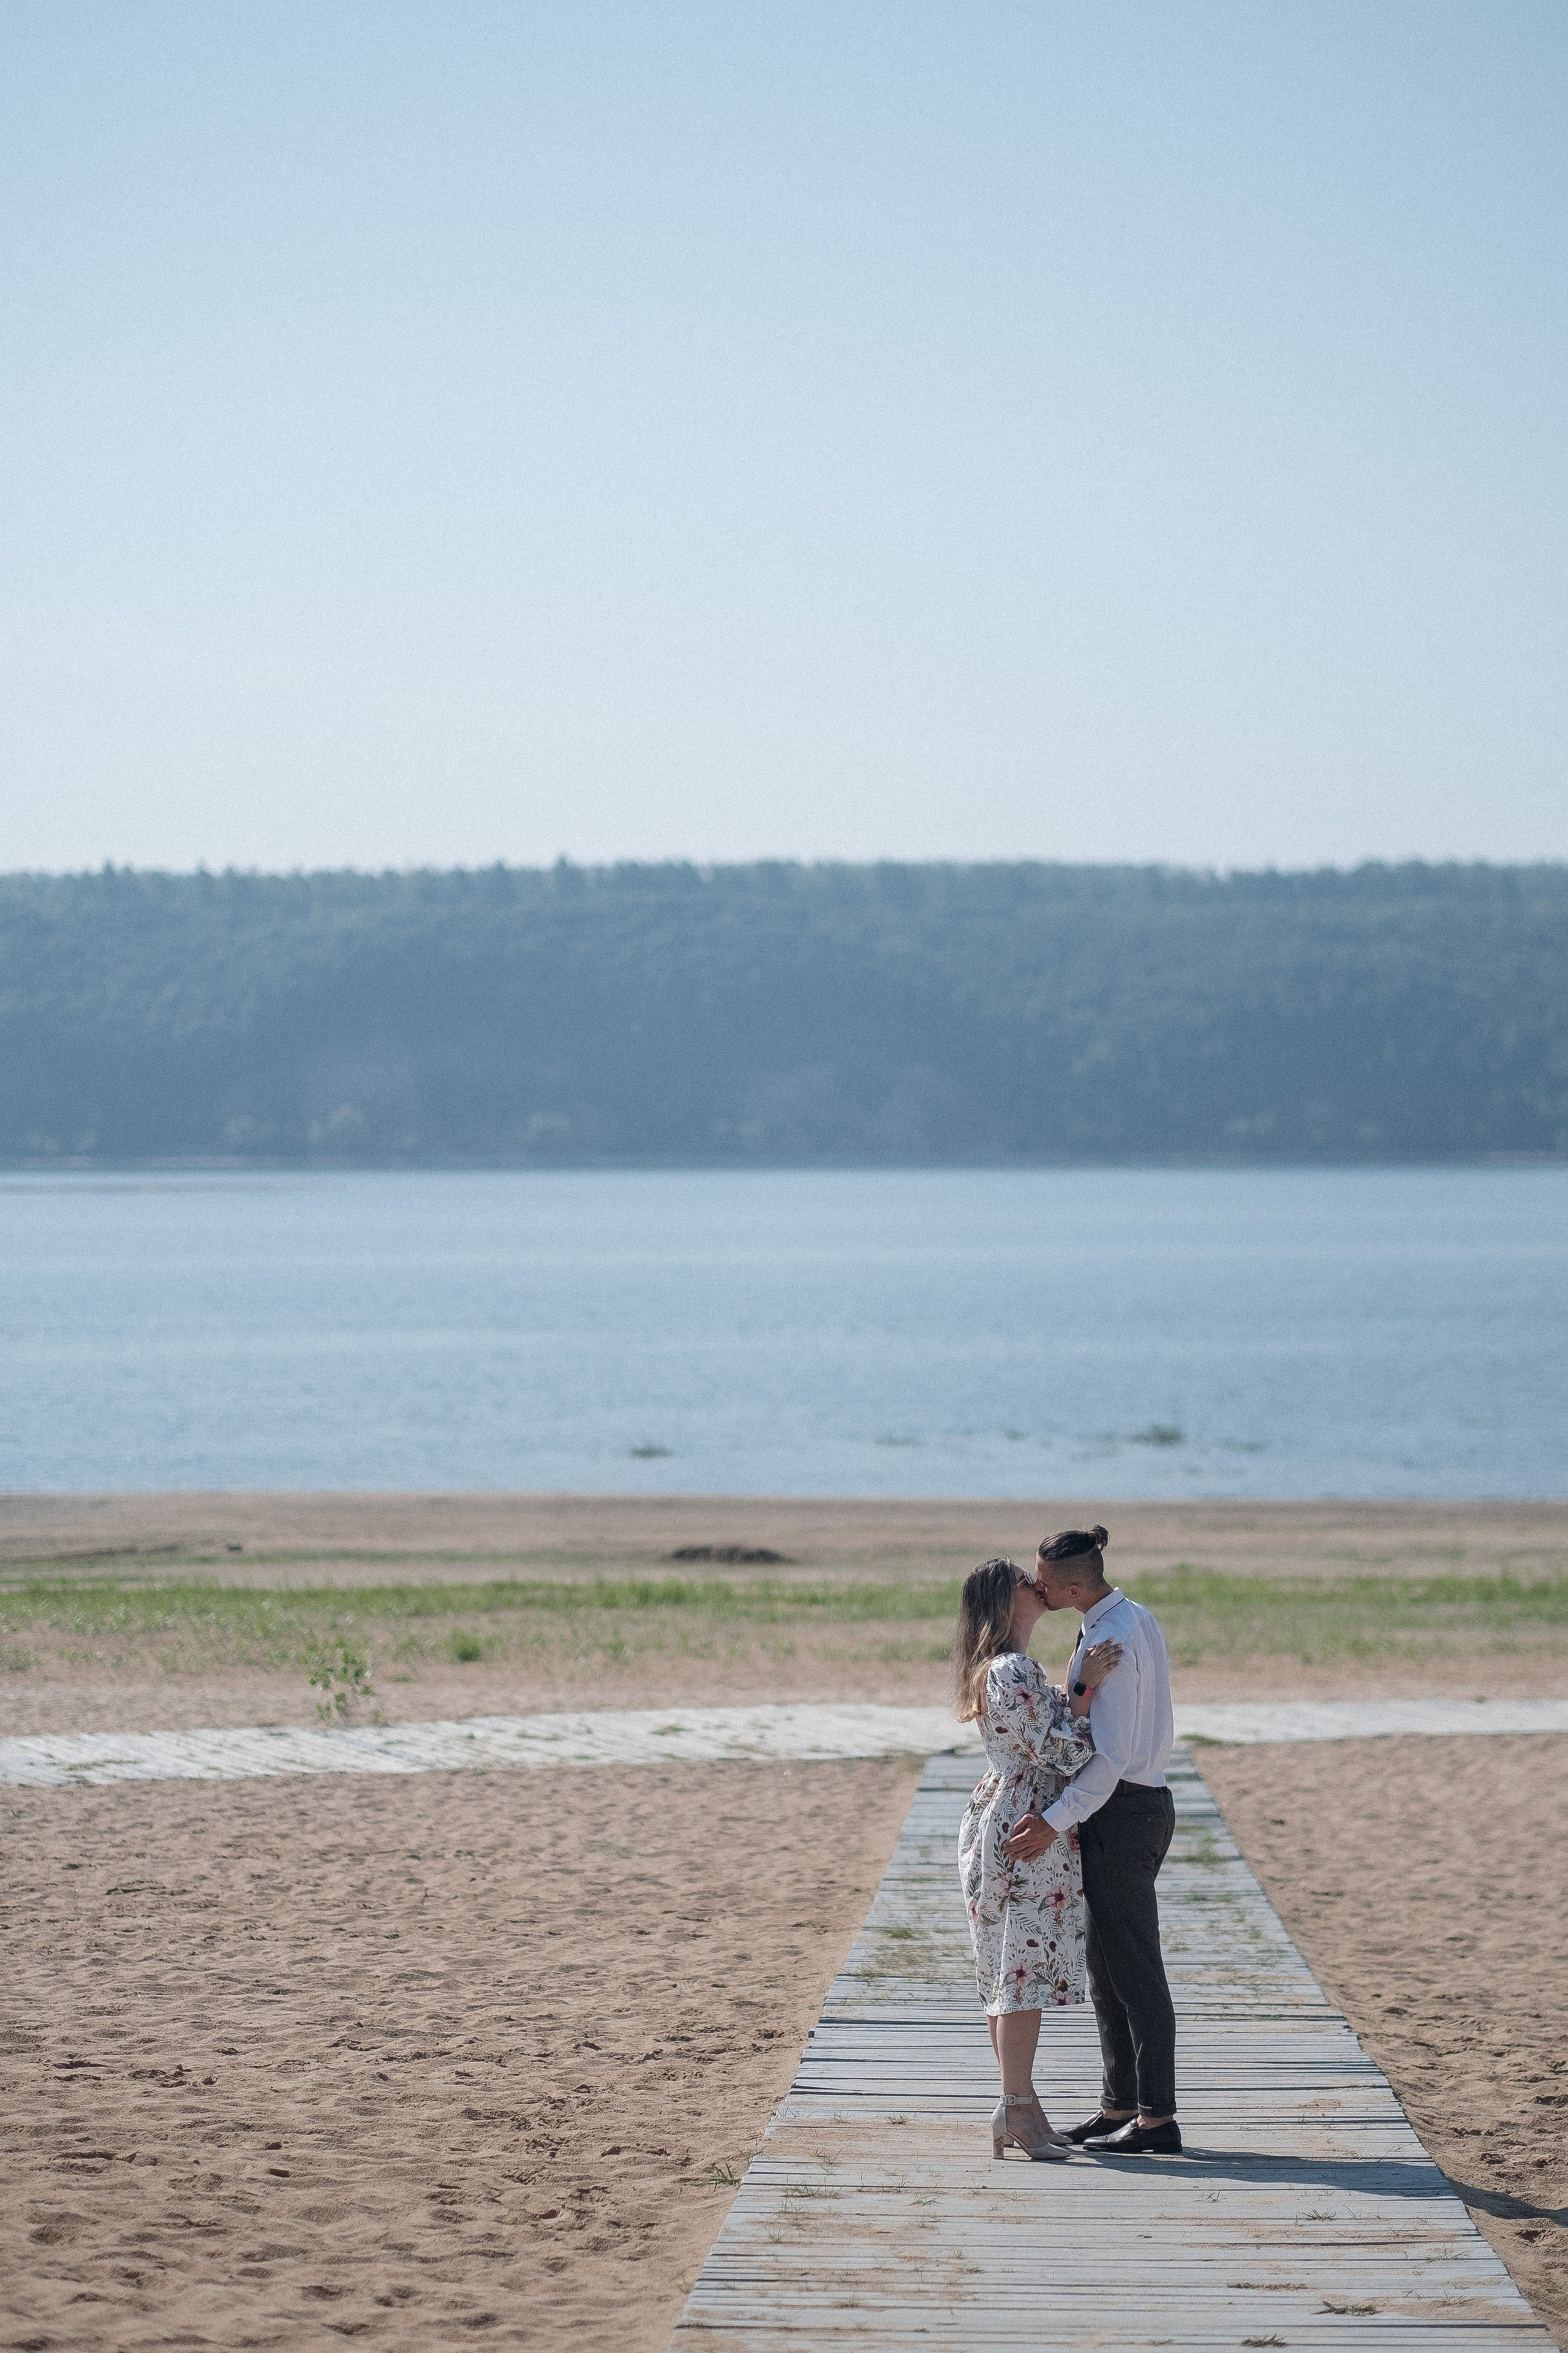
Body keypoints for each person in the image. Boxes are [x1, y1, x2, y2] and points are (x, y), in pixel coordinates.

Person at [1004, 1524, 1180, 2155]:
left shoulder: (1112, 1635)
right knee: (1108, 1969)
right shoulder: (1132, 1616)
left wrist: (1054, 1818)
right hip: (1136, 1806)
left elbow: (1110, 1757)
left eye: (1044, 1582)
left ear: (1073, 1586)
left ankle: (1158, 2120)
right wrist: (1077, 1684)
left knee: (1135, 1972)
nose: (1035, 1587)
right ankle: (1119, 2106)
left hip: (1124, 1810)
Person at [954, 1556, 1124, 2161]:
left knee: (1006, 1970)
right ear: (1008, 1599)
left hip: (1002, 1814)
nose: (1040, 1584)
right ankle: (1016, 2108)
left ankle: (1021, 2105)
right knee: (1018, 1974)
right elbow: (1065, 1749)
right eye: (1028, 1581)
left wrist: (1071, 1689)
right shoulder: (1012, 1667)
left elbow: (1043, 1729)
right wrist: (1085, 1692)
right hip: (1024, 1822)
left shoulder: (1004, 1668)